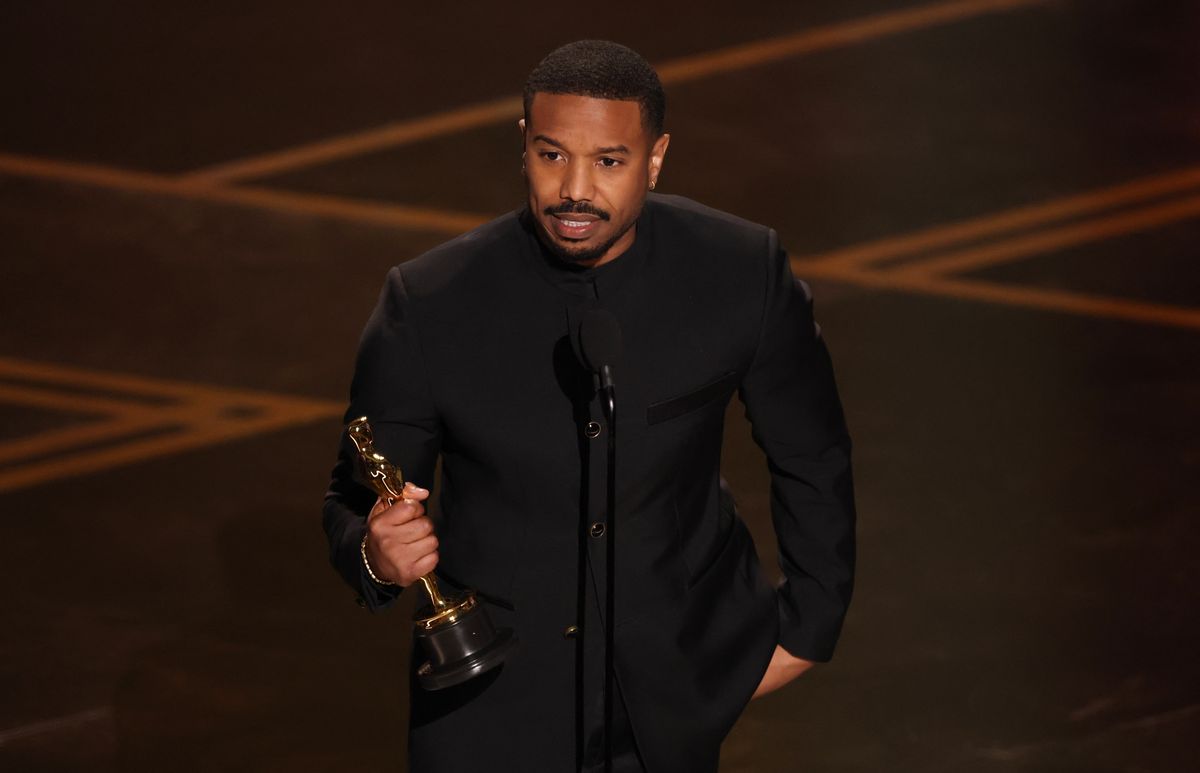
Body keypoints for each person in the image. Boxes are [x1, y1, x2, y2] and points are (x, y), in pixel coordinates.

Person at [322, 39, 855, 773]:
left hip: (669, 691)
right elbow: (356, 500)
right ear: (524, 145)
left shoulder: (739, 272)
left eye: (609, 161)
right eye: (551, 156)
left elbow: (812, 453)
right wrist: (377, 556)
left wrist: (808, 628)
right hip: (492, 703)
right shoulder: (431, 303)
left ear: (656, 157)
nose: (575, 189)